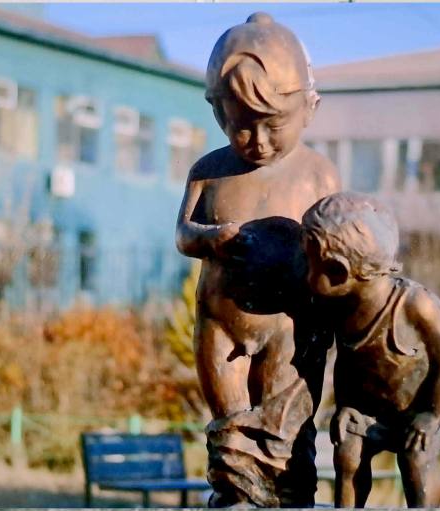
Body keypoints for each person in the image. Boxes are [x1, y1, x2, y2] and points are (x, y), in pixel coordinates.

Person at [174, 12, 341, 507]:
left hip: (289, 329)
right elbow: (183, 235)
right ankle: (235, 494)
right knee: (230, 427)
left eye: (273, 126)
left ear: (309, 108)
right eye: (241, 127)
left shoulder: (317, 174)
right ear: (217, 113)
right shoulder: (209, 171)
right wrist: (211, 239)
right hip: (219, 324)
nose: (259, 141)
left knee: (281, 427)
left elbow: (335, 247)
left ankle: (287, 496)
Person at [301, 192, 440, 508]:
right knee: (348, 449)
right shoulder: (339, 308)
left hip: (417, 416)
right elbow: (348, 363)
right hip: (366, 416)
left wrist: (434, 415)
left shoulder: (415, 304)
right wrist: (346, 406)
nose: (305, 273)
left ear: (338, 270)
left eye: (310, 264)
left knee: (417, 458)